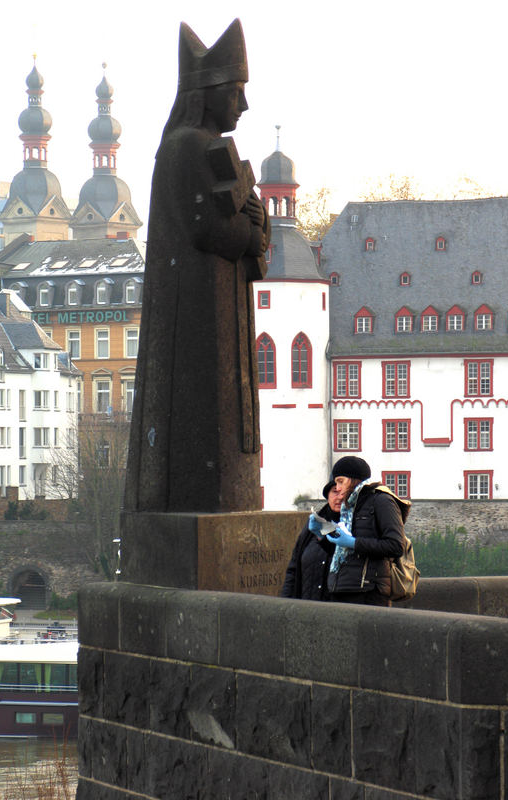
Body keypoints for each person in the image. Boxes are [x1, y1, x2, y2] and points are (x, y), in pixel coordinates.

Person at [124, 19, 270, 513]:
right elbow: (205, 229)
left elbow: (237, 228)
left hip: (220, 304)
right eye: (236, 93)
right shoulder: (185, 145)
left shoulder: (207, 147)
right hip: (192, 312)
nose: (243, 105)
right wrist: (251, 231)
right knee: (202, 414)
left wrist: (255, 224)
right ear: (208, 93)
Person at [311, 456, 410, 607]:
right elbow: (342, 552)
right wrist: (321, 534)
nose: (337, 487)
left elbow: (396, 546)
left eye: (340, 481)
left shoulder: (382, 501)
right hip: (341, 588)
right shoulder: (349, 506)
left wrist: (354, 543)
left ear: (353, 479)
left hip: (369, 591)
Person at [280, 481, 342, 600]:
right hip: (306, 606)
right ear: (327, 495)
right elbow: (293, 568)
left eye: (342, 493)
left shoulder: (353, 525)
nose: (339, 497)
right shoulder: (313, 524)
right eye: (335, 492)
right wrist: (285, 601)